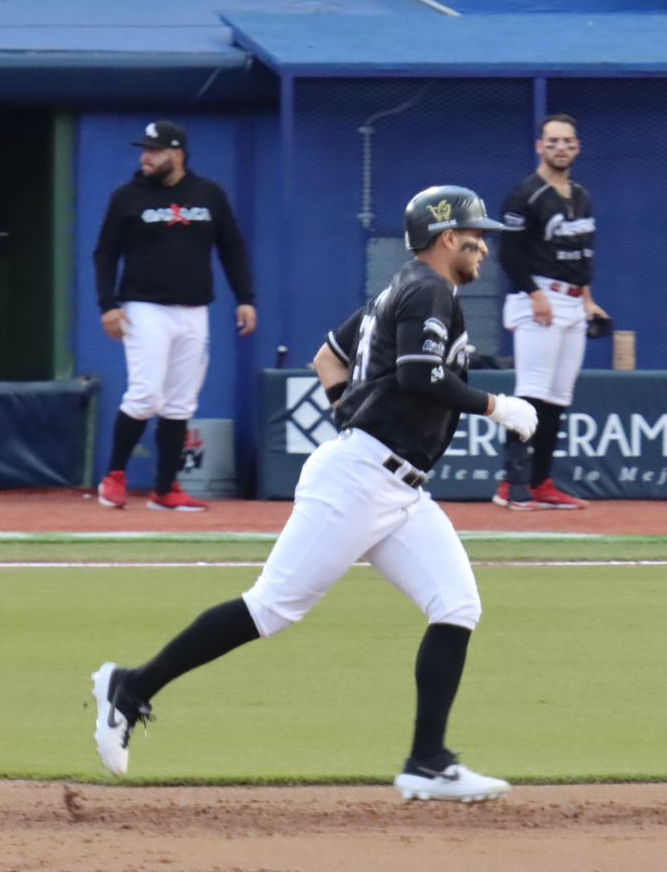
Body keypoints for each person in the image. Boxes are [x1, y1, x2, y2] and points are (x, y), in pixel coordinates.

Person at [91, 185, 538, 802]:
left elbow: (328, 360)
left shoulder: (401, 288)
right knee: (271, 608)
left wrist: (355, 416)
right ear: (445, 239)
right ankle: (130, 686)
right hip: (362, 478)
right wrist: (496, 404)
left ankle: (428, 762)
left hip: (396, 486)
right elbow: (417, 374)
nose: (484, 246)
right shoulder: (428, 289)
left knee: (457, 606)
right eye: (475, 234)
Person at [92, 119, 257, 513]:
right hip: (144, 307)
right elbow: (105, 253)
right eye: (144, 150)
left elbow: (231, 247)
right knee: (147, 393)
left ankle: (165, 490)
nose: (145, 157)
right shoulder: (127, 196)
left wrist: (245, 297)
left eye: (154, 150)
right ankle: (114, 476)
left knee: (181, 403)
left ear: (177, 154)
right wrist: (108, 305)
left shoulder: (208, 194)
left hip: (194, 308)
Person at [492, 113, 609, 511]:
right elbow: (508, 252)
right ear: (539, 147)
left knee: (557, 398)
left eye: (568, 141)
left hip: (573, 299)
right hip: (539, 297)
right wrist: (532, 293)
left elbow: (582, 253)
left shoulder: (580, 194)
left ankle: (541, 482)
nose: (561, 148)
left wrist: (588, 299)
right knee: (532, 393)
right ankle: (511, 483)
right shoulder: (525, 194)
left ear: (577, 147)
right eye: (553, 141)